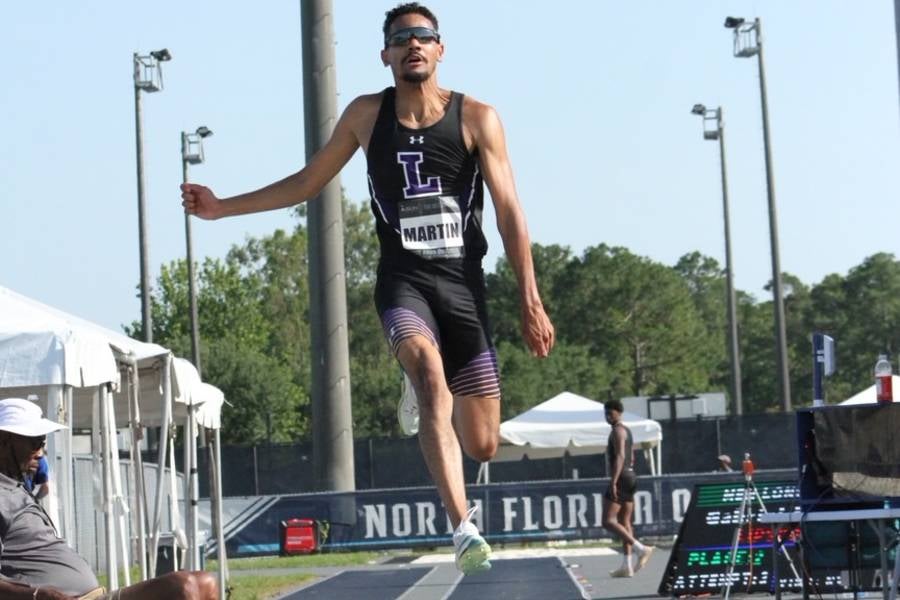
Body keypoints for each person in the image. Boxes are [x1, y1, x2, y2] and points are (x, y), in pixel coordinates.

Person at [180, 2, 554, 575]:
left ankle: (428, 393)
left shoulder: (478, 117)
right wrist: (223, 208)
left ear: (440, 49)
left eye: (424, 36)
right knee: (431, 378)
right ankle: (463, 527)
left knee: (482, 443)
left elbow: (509, 211)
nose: (413, 45)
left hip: (464, 287)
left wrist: (529, 296)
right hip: (403, 282)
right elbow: (309, 182)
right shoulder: (364, 115)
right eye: (401, 38)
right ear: (385, 55)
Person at [0, 398, 218, 600]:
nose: (40, 452)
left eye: (43, 441)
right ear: (4, 440)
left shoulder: (17, 487)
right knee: (186, 586)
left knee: (206, 584)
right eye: (34, 442)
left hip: (92, 595)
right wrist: (37, 595)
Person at [602, 399, 654, 578]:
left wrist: (614, 480)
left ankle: (641, 549)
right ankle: (627, 565)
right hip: (630, 476)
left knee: (608, 521)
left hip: (623, 476)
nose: (608, 416)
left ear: (619, 413)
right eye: (606, 413)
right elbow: (631, 453)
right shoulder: (627, 431)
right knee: (625, 522)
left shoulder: (618, 430)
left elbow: (620, 456)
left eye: (611, 413)